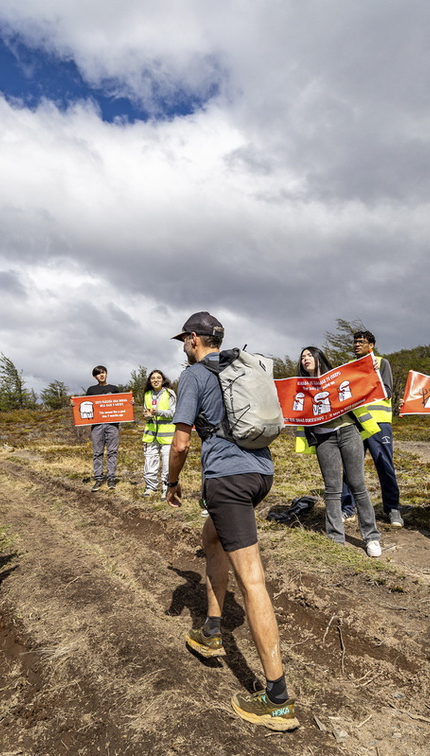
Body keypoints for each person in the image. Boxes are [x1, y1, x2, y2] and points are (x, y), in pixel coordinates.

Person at [167, 311, 299, 731]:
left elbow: (182, 441)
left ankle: (277, 699)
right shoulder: (240, 368)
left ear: (193, 339)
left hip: (227, 479)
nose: (184, 347)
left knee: (253, 581)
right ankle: (210, 629)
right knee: (211, 539)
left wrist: (171, 482)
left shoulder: (192, 375)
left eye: (184, 341)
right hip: (261, 473)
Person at [298, 346, 383, 557]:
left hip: (348, 433)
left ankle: (371, 537)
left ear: (319, 358)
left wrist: (371, 369)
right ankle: (335, 538)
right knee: (332, 489)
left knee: (357, 485)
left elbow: (363, 382)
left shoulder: (338, 377)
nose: (305, 359)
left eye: (309, 355)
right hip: (324, 439)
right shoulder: (299, 387)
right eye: (302, 357)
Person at [340, 330, 404, 528]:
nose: (357, 345)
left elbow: (386, 391)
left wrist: (371, 372)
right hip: (355, 424)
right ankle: (346, 508)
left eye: (361, 342)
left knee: (384, 465)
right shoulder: (348, 368)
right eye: (355, 342)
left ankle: (392, 508)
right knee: (350, 467)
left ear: (372, 345)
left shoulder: (382, 363)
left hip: (378, 423)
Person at [140, 370, 176, 499]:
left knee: (167, 464)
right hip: (150, 435)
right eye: (153, 378)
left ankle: (166, 489)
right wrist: (147, 415)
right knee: (150, 462)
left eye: (158, 378)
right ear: (150, 381)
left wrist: (158, 412)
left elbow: (173, 413)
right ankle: (150, 487)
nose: (155, 380)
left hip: (167, 436)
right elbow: (146, 412)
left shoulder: (169, 393)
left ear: (163, 380)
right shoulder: (147, 394)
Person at [86, 366, 121, 492]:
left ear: (106, 374)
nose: (101, 375)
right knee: (97, 452)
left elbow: (121, 403)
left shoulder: (114, 389)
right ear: (95, 376)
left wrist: (129, 403)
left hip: (112, 425)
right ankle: (98, 478)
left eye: (103, 372)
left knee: (112, 451)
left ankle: (111, 478)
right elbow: (85, 405)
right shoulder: (91, 390)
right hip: (97, 426)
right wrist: (75, 406)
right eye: (98, 373)